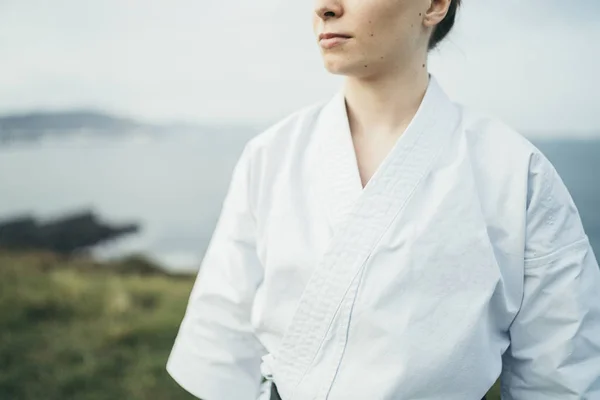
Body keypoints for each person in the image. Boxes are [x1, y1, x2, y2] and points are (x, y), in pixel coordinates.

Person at [166, 0, 600, 399]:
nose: (324, 7)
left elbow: (562, 374)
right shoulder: (271, 154)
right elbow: (221, 339)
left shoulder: (515, 172)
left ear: (433, 5)